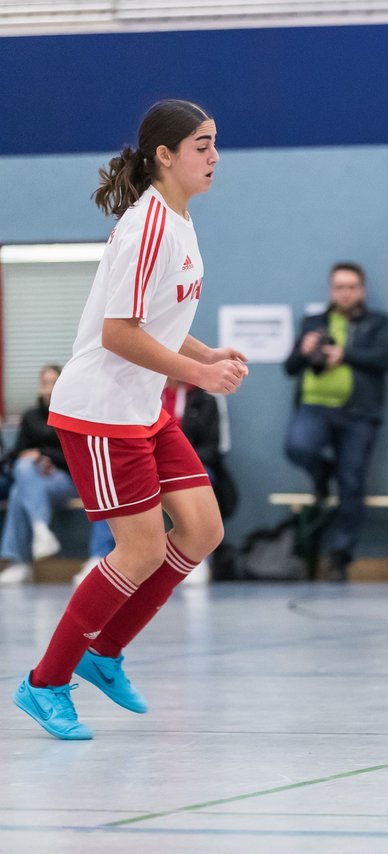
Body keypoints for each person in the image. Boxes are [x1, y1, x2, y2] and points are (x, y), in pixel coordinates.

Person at [13, 100, 247, 740]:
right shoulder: (147, 226)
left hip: (141, 408)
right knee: (140, 548)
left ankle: (104, 651)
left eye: (215, 143)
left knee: (201, 530)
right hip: (100, 411)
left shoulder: (181, 219)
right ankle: (45, 683)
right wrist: (197, 375)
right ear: (164, 155)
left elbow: (158, 319)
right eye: (202, 145)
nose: (215, 156)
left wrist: (204, 351)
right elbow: (118, 334)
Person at [283, 261, 388, 581]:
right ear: (331, 290)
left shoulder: (377, 322)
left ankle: (341, 557)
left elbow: (386, 359)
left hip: (359, 414)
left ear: (361, 290)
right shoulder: (313, 321)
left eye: (351, 287)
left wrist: (344, 355)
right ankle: (324, 474)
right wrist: (303, 351)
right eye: (339, 287)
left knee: (352, 483)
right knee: (297, 447)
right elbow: (289, 368)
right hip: (315, 407)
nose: (344, 293)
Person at [77, 376, 232, 586]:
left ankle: (198, 559)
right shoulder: (145, 393)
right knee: (117, 482)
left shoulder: (205, 399)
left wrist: (180, 460)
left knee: (204, 477)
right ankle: (99, 555)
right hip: (146, 461)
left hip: (191, 463)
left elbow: (215, 447)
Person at [0, 366, 77, 585]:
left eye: (53, 382)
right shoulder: (31, 416)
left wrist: (45, 456)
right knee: (19, 484)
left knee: (20, 489)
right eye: (44, 383)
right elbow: (15, 455)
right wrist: (33, 459)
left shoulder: (72, 414)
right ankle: (40, 531)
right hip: (33, 477)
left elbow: (75, 457)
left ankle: (20, 562)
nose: (48, 389)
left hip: (63, 479)